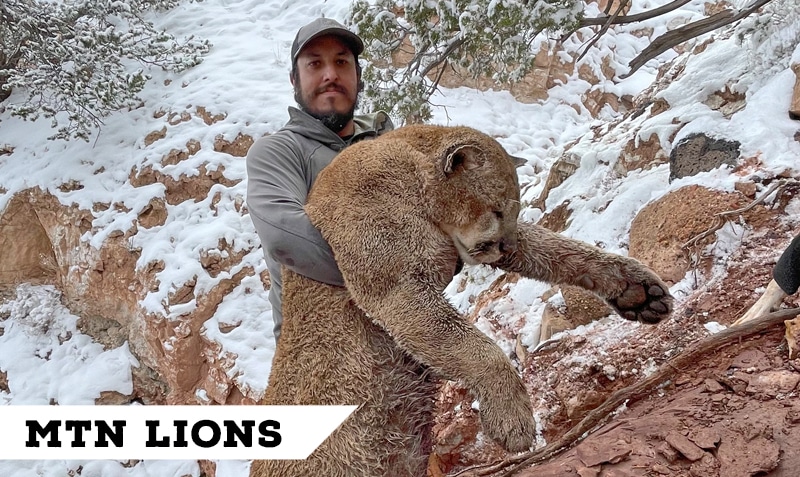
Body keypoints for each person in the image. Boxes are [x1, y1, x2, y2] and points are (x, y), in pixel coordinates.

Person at [246, 18, 394, 342]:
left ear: (358, 75)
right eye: (315, 63)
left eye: (342, 61)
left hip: (403, 351)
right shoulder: (278, 152)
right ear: (294, 80)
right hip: (320, 360)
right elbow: (287, 237)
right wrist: (400, 264)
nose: (331, 75)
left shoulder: (388, 141)